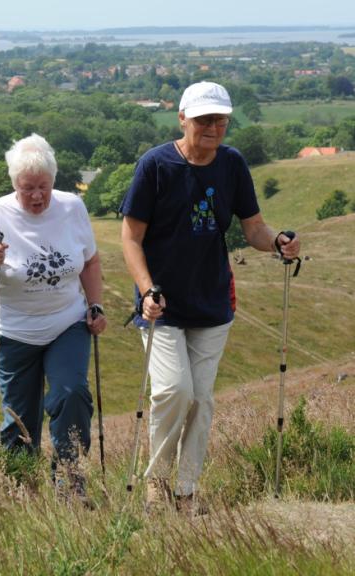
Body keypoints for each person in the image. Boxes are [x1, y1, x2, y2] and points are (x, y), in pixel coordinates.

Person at [120, 81, 300, 514]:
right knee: (172, 391)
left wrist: (275, 241)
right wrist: (146, 291)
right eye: (203, 119)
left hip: (212, 301)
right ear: (182, 118)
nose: (213, 127)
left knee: (201, 399)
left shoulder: (232, 164)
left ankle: (186, 492)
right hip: (160, 304)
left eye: (220, 119)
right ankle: (155, 486)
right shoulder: (156, 165)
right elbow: (129, 238)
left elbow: (252, 227)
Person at [0, 133, 106, 499]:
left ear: (54, 181)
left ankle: (70, 486)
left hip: (66, 322)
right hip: (13, 330)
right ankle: (20, 492)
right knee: (20, 419)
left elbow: (90, 260)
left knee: (71, 394)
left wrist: (95, 305)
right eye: (27, 189)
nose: (36, 196)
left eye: (44, 187)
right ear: (13, 185)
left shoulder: (72, 208)